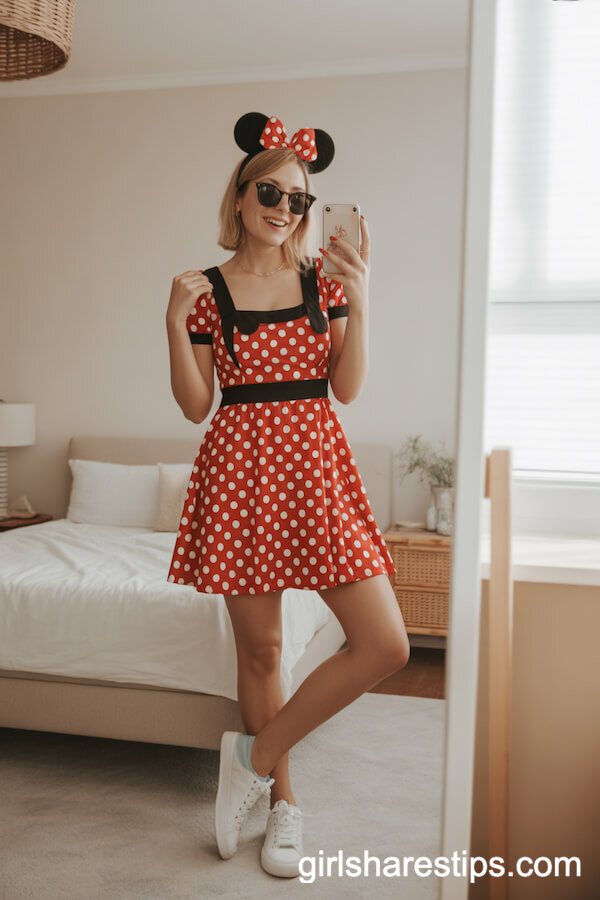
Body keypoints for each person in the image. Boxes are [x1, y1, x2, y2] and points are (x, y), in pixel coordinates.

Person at [165, 112, 410, 879]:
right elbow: (194, 405)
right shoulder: (202, 292)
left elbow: (347, 386)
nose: (284, 209)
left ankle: (254, 757)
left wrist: (362, 300)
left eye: (299, 200)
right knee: (263, 650)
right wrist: (173, 322)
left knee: (385, 644)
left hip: (315, 469)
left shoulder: (323, 284)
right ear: (240, 195)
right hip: (239, 472)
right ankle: (284, 804)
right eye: (270, 192)